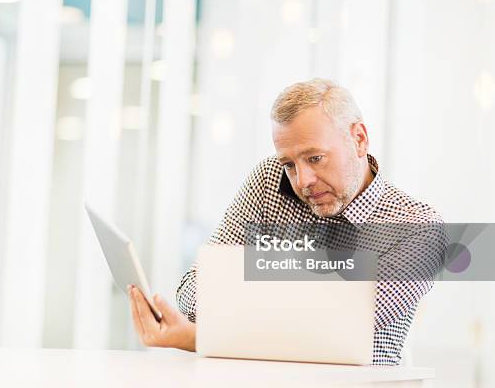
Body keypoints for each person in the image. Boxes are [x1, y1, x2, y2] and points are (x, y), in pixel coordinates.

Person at [128, 78, 445, 365]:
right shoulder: (270, 181)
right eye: (290, 164)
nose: (303, 180)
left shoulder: (419, 229)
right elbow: (194, 295)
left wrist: (200, 335)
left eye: (315, 158)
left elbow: (334, 328)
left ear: (359, 139)